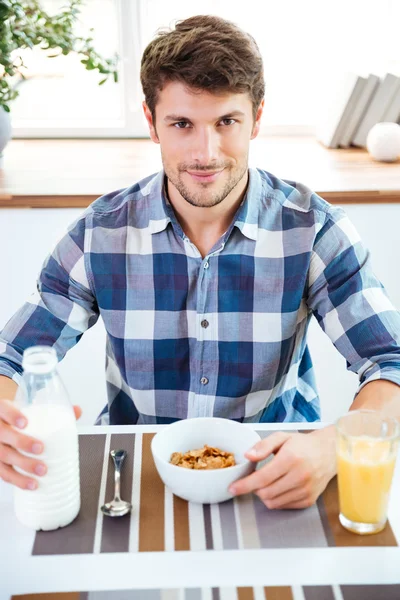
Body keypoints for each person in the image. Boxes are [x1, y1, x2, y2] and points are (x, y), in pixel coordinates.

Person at [1, 15, 400, 510]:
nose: (205, 152)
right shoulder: (101, 232)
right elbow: (12, 355)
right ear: (151, 123)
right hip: (138, 474)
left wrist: (336, 445)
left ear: (256, 119)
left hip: (276, 468)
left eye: (226, 122)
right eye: (182, 124)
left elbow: (390, 362)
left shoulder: (314, 229)